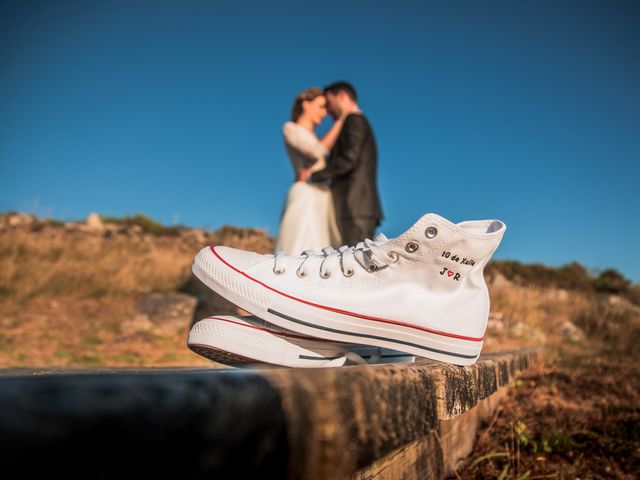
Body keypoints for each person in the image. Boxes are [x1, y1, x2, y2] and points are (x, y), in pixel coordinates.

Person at [303, 81, 383, 246]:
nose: (328, 111)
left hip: (355, 207)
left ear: (341, 97)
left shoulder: (354, 120)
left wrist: (314, 176)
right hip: (355, 207)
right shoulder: (355, 121)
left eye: (329, 103)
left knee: (355, 265)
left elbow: (349, 159)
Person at [274, 87, 347, 255]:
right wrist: (340, 121)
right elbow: (314, 152)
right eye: (321, 106)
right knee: (301, 246)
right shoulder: (291, 128)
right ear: (306, 104)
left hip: (323, 195)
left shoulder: (315, 135)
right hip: (305, 193)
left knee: (324, 248)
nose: (325, 113)